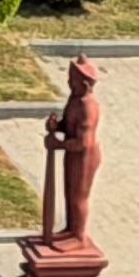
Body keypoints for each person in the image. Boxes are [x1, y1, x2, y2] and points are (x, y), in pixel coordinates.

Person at [42, 54, 104, 242]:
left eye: (73, 80)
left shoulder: (88, 106)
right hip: (72, 154)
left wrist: (59, 144)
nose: (70, 83)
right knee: (69, 194)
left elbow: (83, 141)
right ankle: (71, 228)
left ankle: (78, 236)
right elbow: (70, 125)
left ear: (85, 84)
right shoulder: (75, 99)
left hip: (84, 156)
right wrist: (57, 126)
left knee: (79, 197)